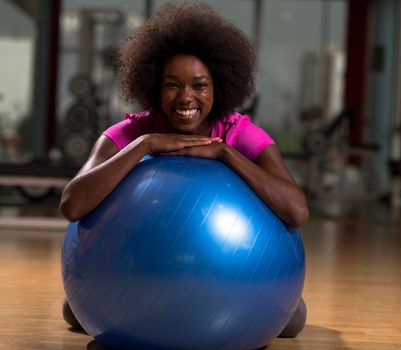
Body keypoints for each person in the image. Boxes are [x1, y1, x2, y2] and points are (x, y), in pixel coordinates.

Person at [59, 2, 309, 339]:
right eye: (172, 85)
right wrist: (144, 145)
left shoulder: (241, 134)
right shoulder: (129, 134)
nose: (185, 98)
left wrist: (224, 152)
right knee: (74, 313)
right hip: (136, 274)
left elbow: (297, 211)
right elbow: (72, 205)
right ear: (154, 87)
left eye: (200, 85)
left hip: (233, 280)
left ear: (218, 87)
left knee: (291, 323)